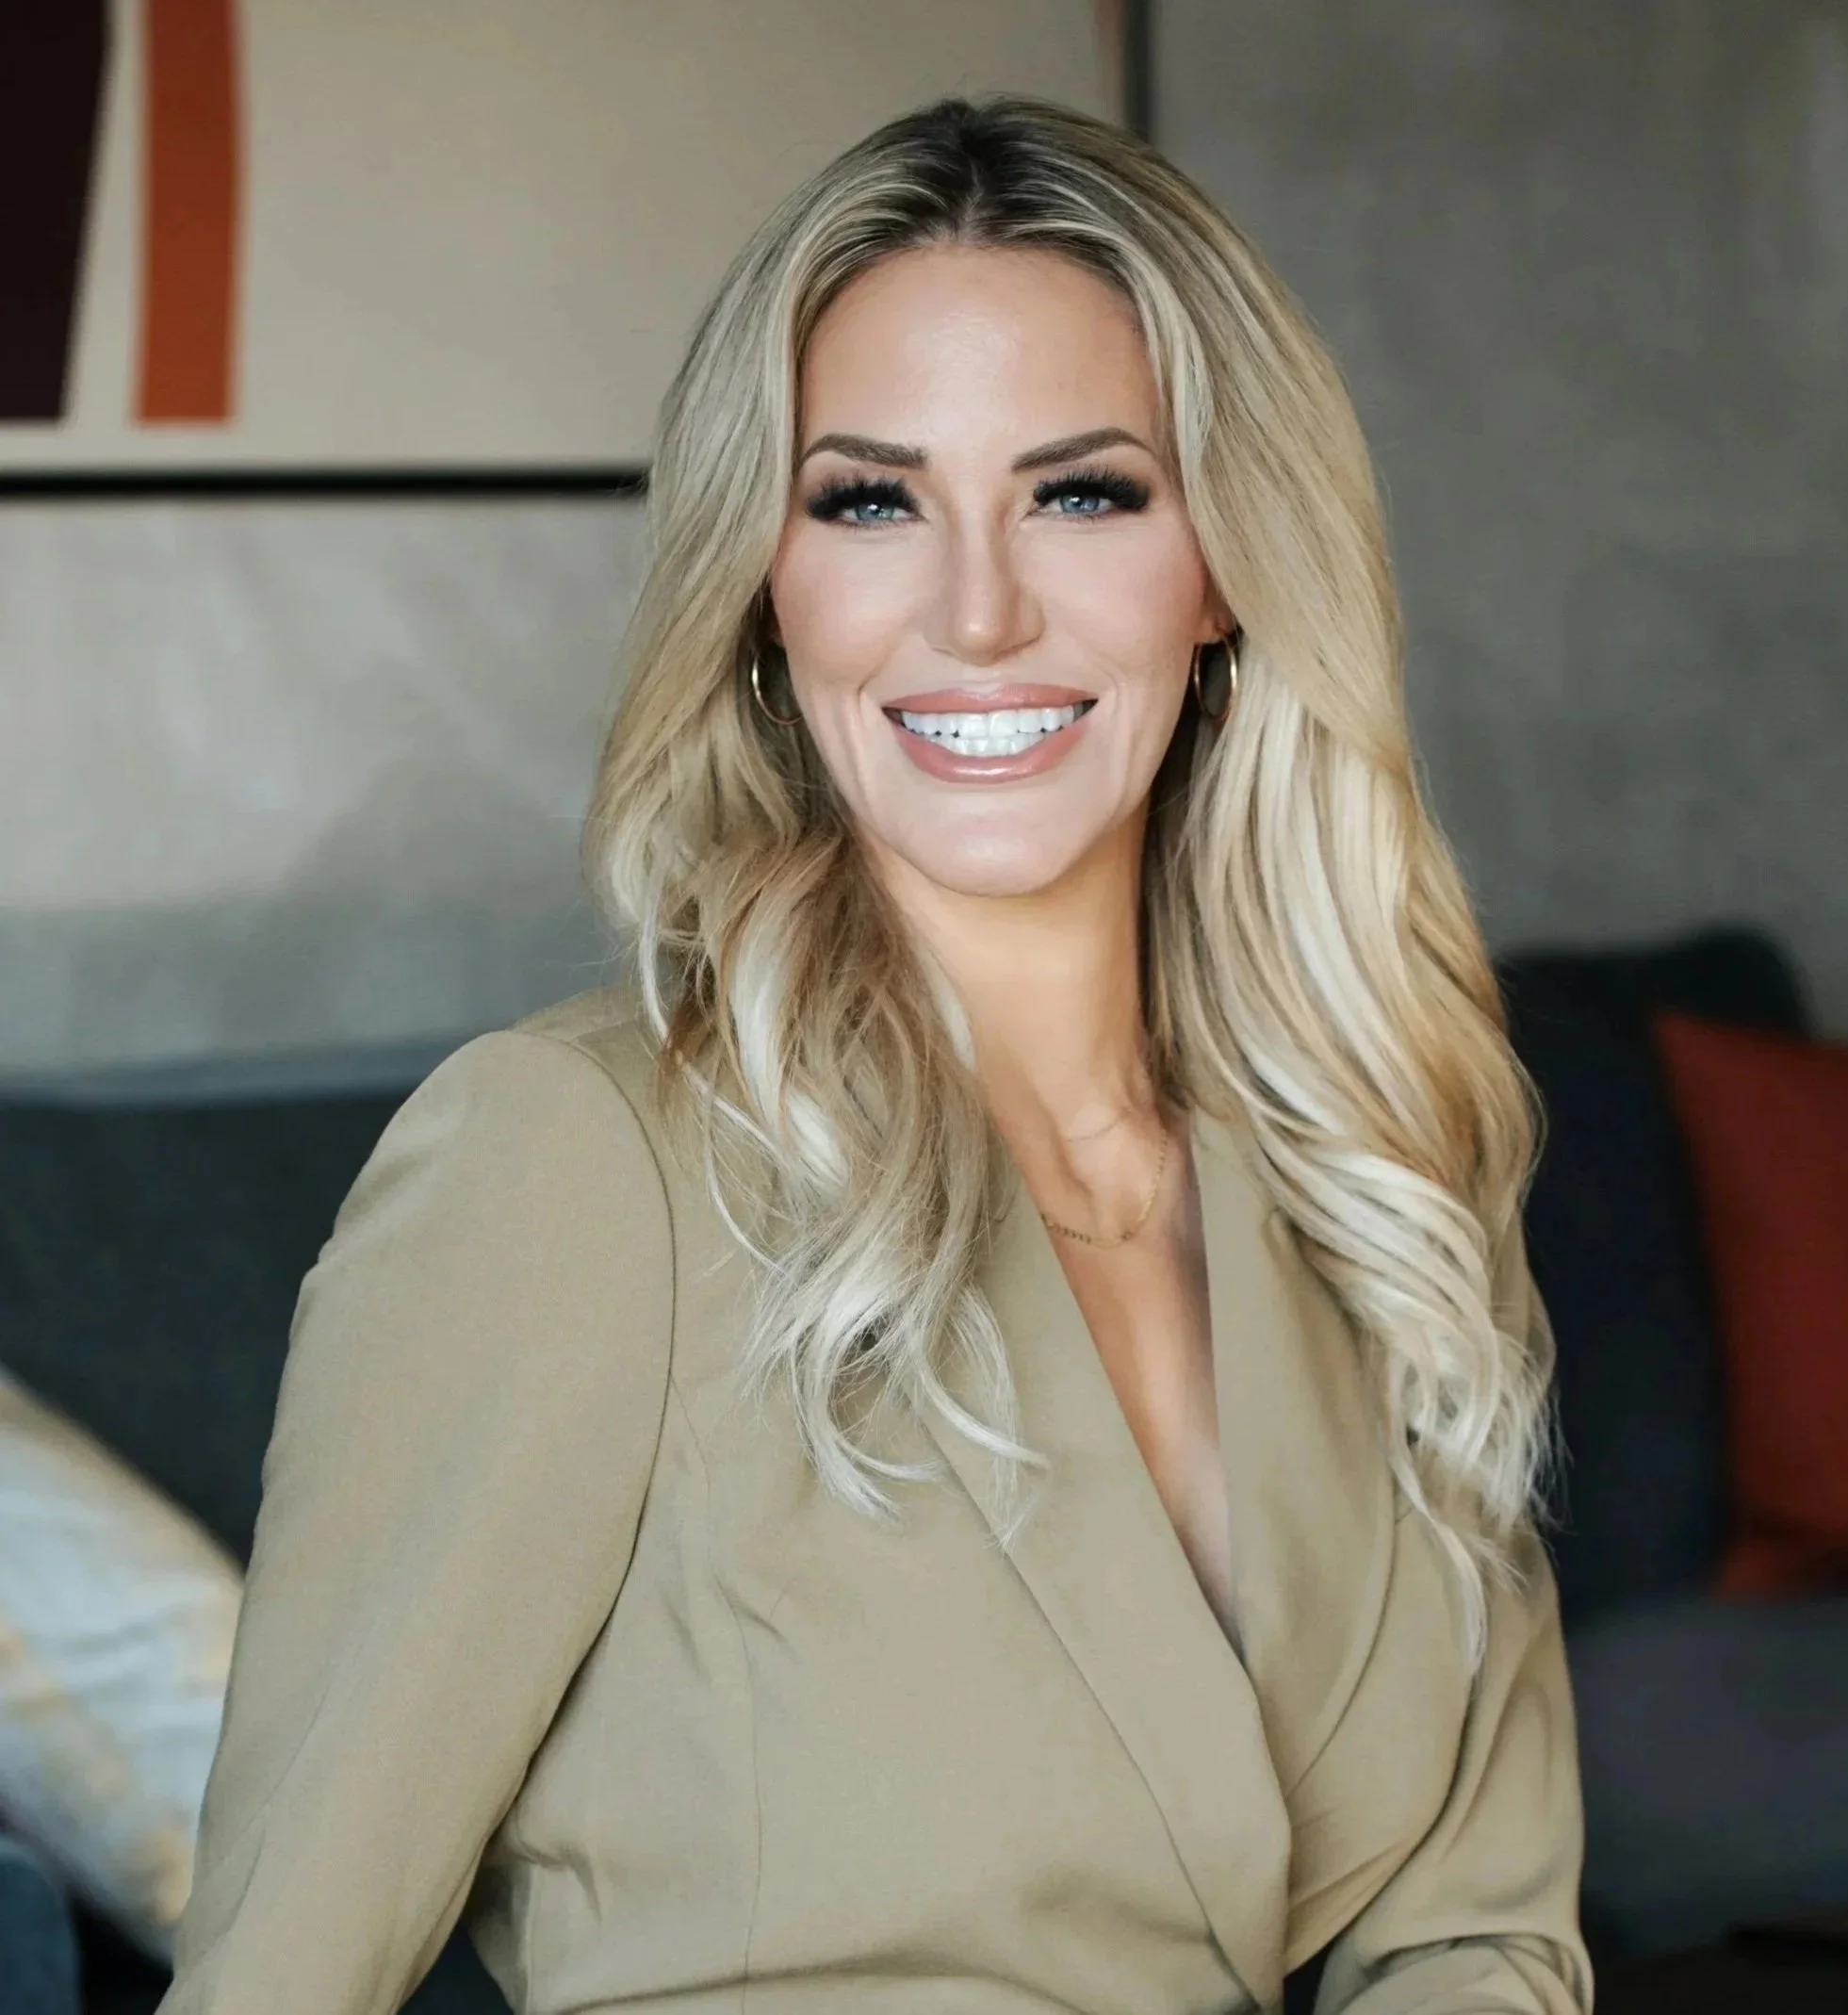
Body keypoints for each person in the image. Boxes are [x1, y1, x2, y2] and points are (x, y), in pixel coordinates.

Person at [161, 94, 1592, 2015]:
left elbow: (1476, 1930)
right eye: (867, 498)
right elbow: (279, 1982)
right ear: (765, 581)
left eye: (1083, 491)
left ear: (1225, 561)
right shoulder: (568, 1169)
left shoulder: (1370, 1174)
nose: (978, 608)